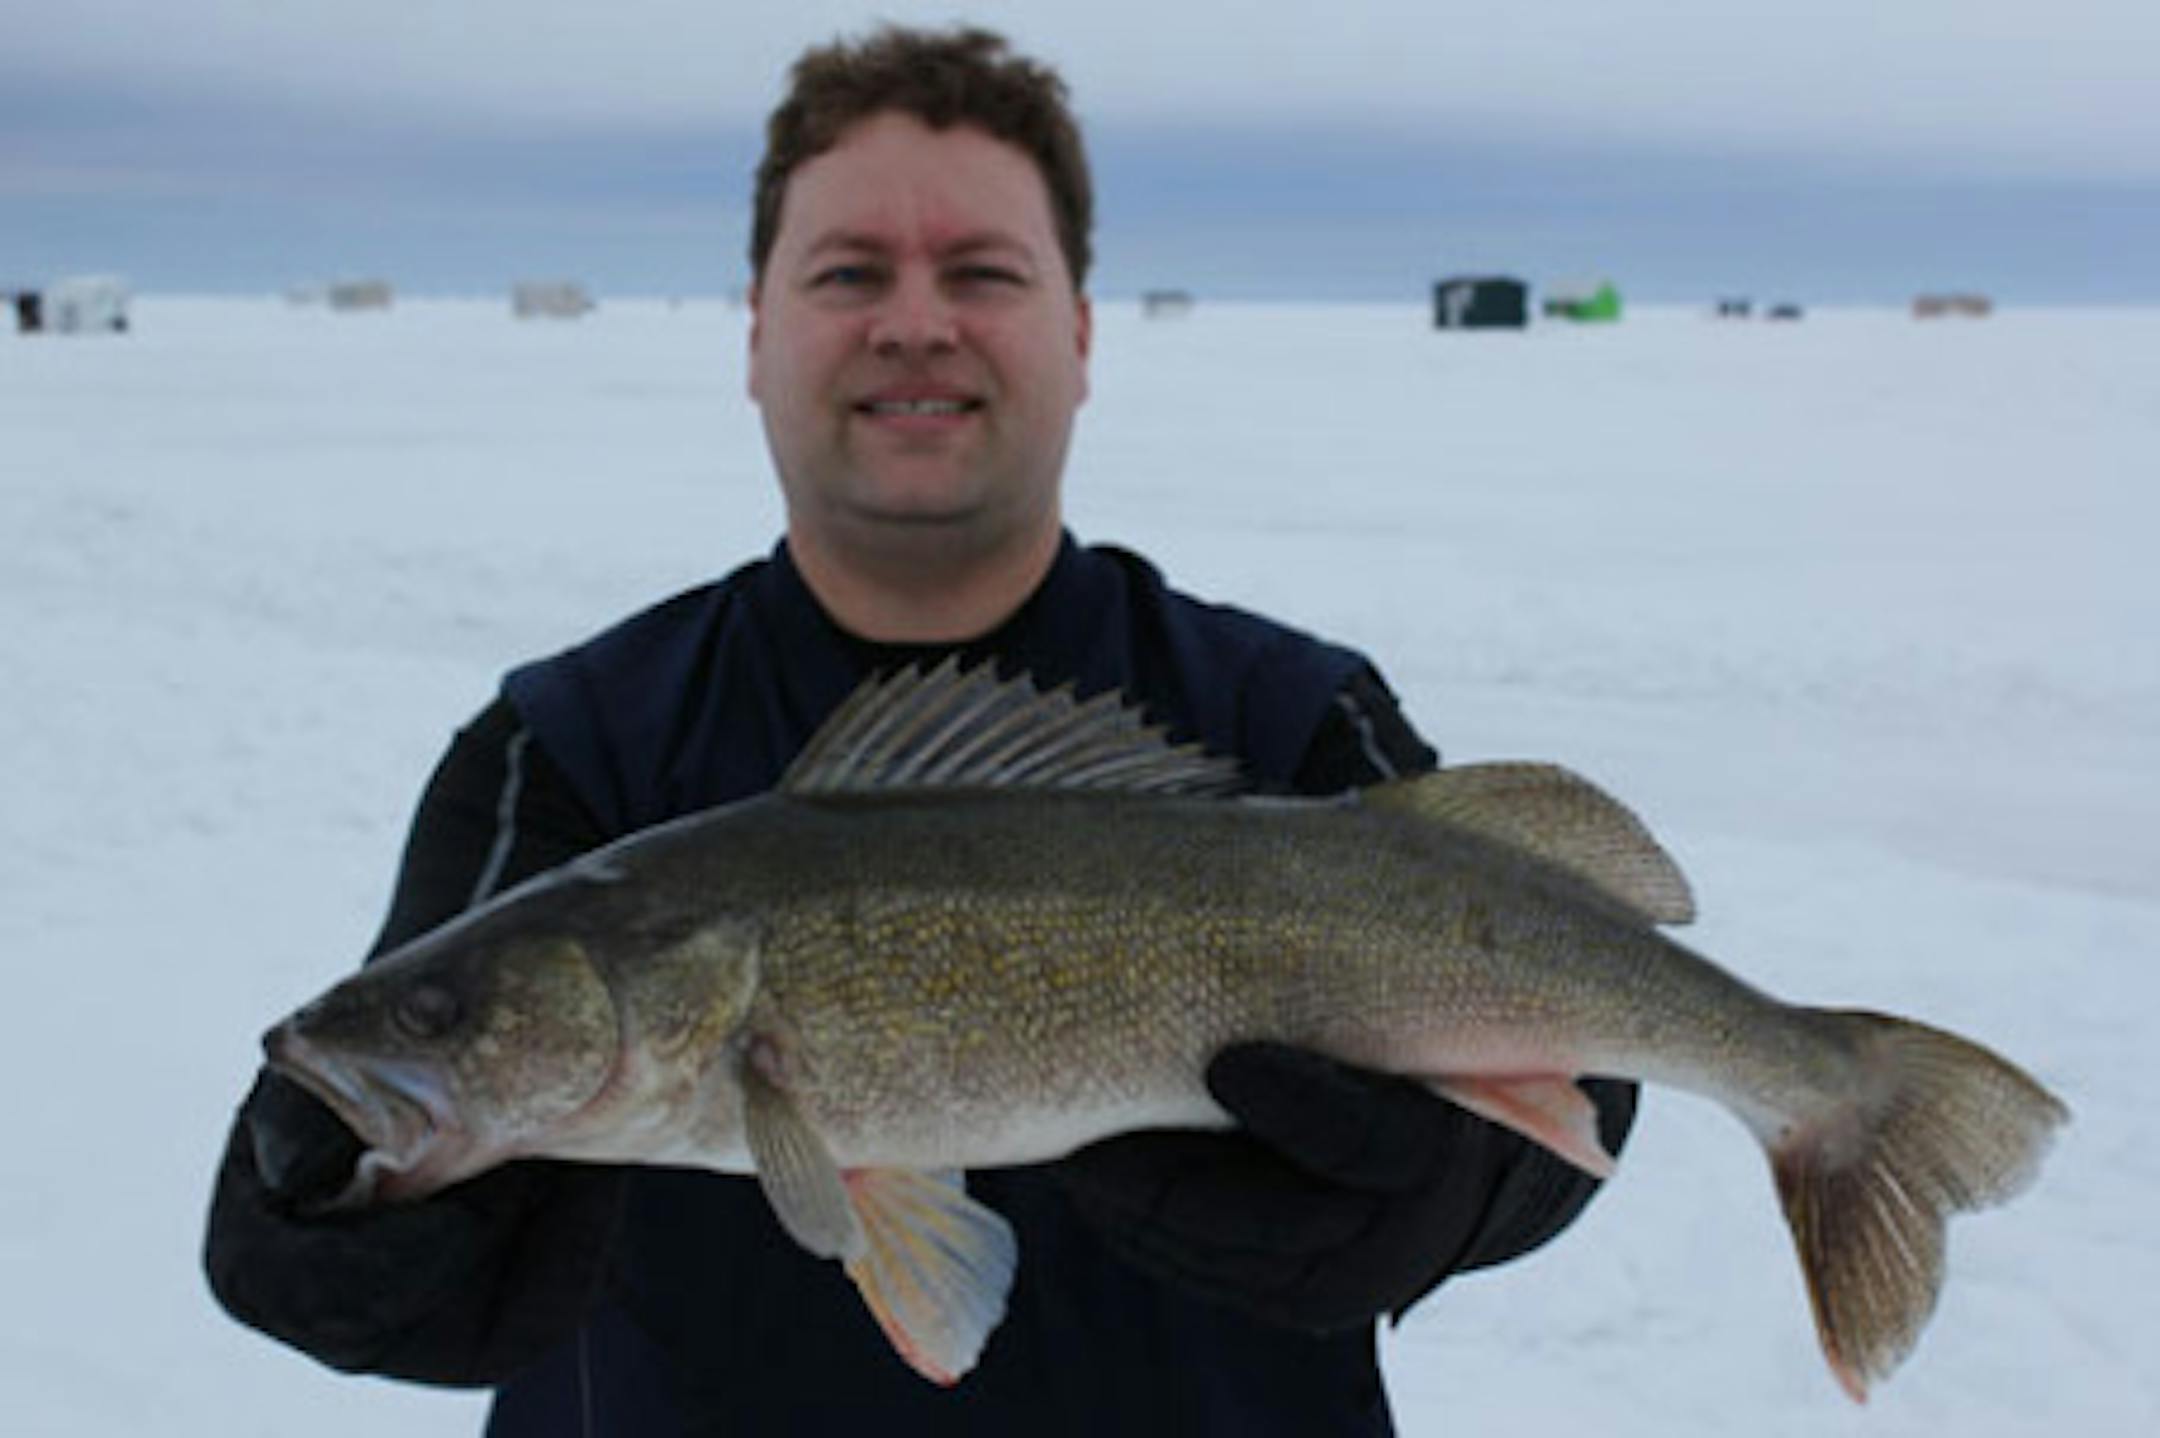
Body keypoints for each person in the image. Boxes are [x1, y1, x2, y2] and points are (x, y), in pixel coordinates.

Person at [204, 25, 1635, 1436]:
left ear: (1078, 334)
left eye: (980, 271)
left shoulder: (1292, 716)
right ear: (756, 330)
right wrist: (332, 1215)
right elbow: (382, 1091)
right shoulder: (570, 748)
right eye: (848, 272)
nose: (914, 320)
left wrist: (1465, 1189)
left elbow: (1595, 1017)